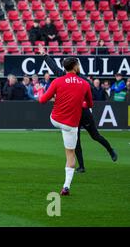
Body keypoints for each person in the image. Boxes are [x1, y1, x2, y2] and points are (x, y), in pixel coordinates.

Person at [39, 45, 117, 174]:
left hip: (83, 113)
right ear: (74, 67)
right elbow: (53, 67)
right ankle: (81, 166)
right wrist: (44, 55)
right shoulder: (67, 76)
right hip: (73, 114)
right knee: (76, 142)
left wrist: (82, 103)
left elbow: (90, 95)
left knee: (95, 136)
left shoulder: (83, 80)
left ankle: (110, 150)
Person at [39, 57, 93, 195]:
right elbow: (90, 104)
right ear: (75, 67)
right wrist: (79, 102)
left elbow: (42, 100)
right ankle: (66, 186)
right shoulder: (85, 83)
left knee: (62, 122)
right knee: (70, 154)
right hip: (71, 124)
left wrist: (45, 93)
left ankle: (66, 187)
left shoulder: (57, 81)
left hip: (55, 119)